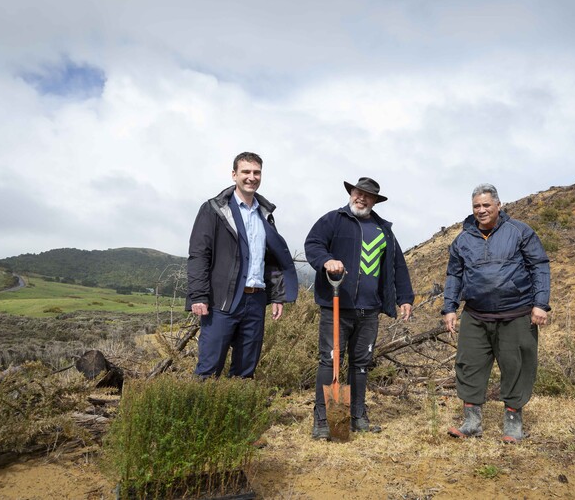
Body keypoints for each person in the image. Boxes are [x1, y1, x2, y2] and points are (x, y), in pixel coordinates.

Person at [305, 177, 415, 440]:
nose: (361, 198)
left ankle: (357, 416)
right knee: (329, 360)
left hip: (369, 309)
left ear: (375, 201)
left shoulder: (383, 229)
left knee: (361, 363)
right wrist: (327, 260)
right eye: (358, 192)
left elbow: (397, 265)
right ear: (351, 193)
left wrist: (405, 297)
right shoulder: (333, 220)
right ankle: (322, 419)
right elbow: (313, 245)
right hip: (336, 307)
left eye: (368, 196)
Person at [442, 183, 551, 443]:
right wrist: (450, 308)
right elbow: (454, 275)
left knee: (517, 366)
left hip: (516, 313)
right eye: (476, 206)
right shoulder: (463, 239)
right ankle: (471, 423)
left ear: (499, 205)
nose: (481, 210)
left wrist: (541, 303)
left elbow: (539, 266)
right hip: (476, 315)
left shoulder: (519, 231)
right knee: (469, 365)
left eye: (486, 205)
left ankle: (513, 425)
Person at [186, 152, 298, 379]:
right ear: (234, 174)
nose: (251, 177)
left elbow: (272, 258)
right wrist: (198, 295)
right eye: (246, 172)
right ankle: (204, 413)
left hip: (255, 301)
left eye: (256, 172)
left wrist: (277, 296)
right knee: (208, 369)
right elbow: (199, 254)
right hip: (221, 301)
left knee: (245, 370)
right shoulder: (214, 209)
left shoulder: (264, 214)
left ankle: (237, 413)